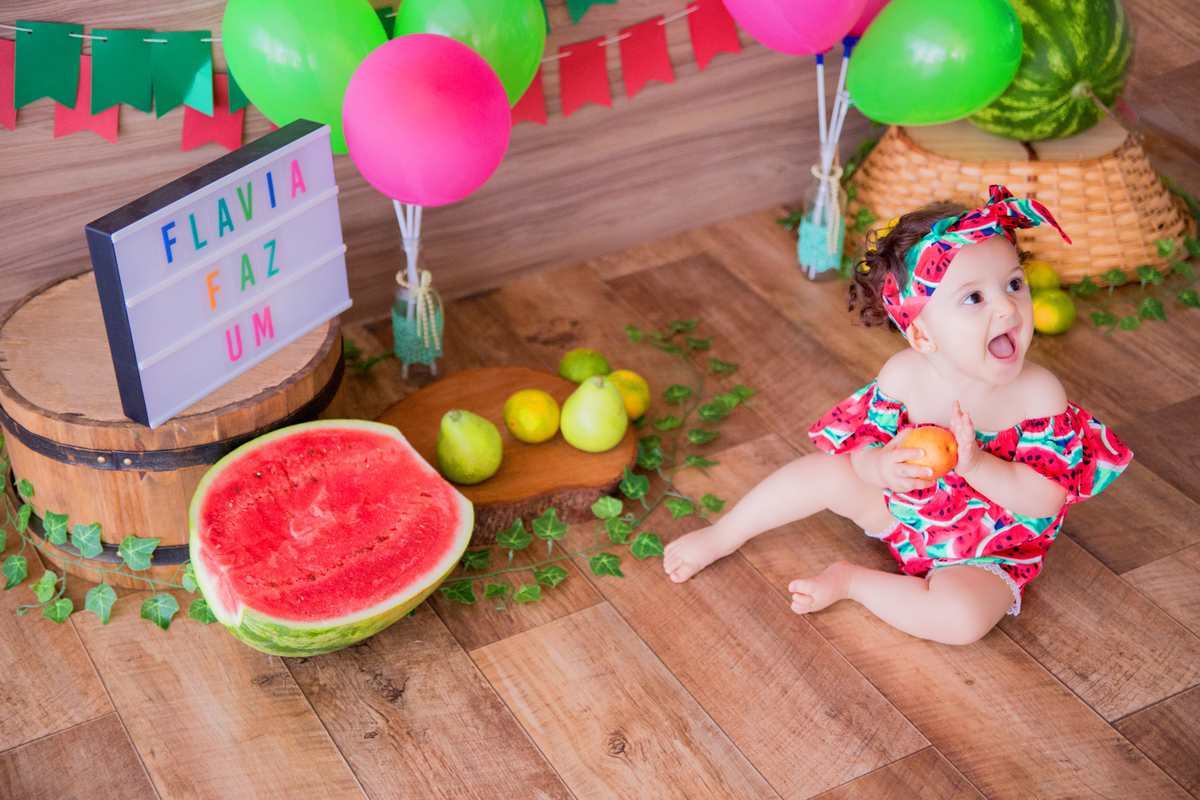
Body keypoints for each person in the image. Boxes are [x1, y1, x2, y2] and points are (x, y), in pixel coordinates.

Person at [662, 186, 1133, 645]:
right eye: (974, 298)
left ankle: (853, 583)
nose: (1008, 306)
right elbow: (864, 446)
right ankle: (724, 534)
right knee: (826, 471)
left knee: (961, 619)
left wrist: (978, 467)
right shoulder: (905, 377)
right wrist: (879, 466)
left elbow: (1047, 498)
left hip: (992, 551)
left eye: (1013, 284)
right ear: (923, 335)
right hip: (903, 513)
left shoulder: (1038, 396)